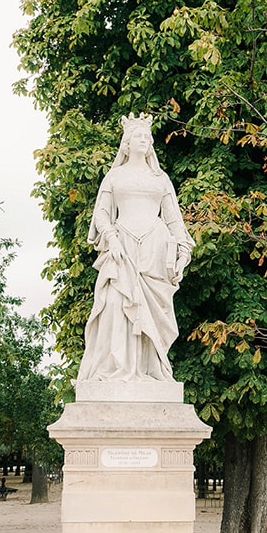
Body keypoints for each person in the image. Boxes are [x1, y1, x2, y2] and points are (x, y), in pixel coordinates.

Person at [77, 113, 194, 382]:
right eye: (137, 136)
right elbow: (102, 214)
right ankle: (118, 368)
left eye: (146, 136)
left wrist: (183, 252)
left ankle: (147, 369)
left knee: (150, 316)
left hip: (155, 249)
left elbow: (174, 219)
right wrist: (112, 238)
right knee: (117, 307)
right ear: (126, 143)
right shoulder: (114, 176)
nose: (144, 139)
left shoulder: (160, 178)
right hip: (122, 248)